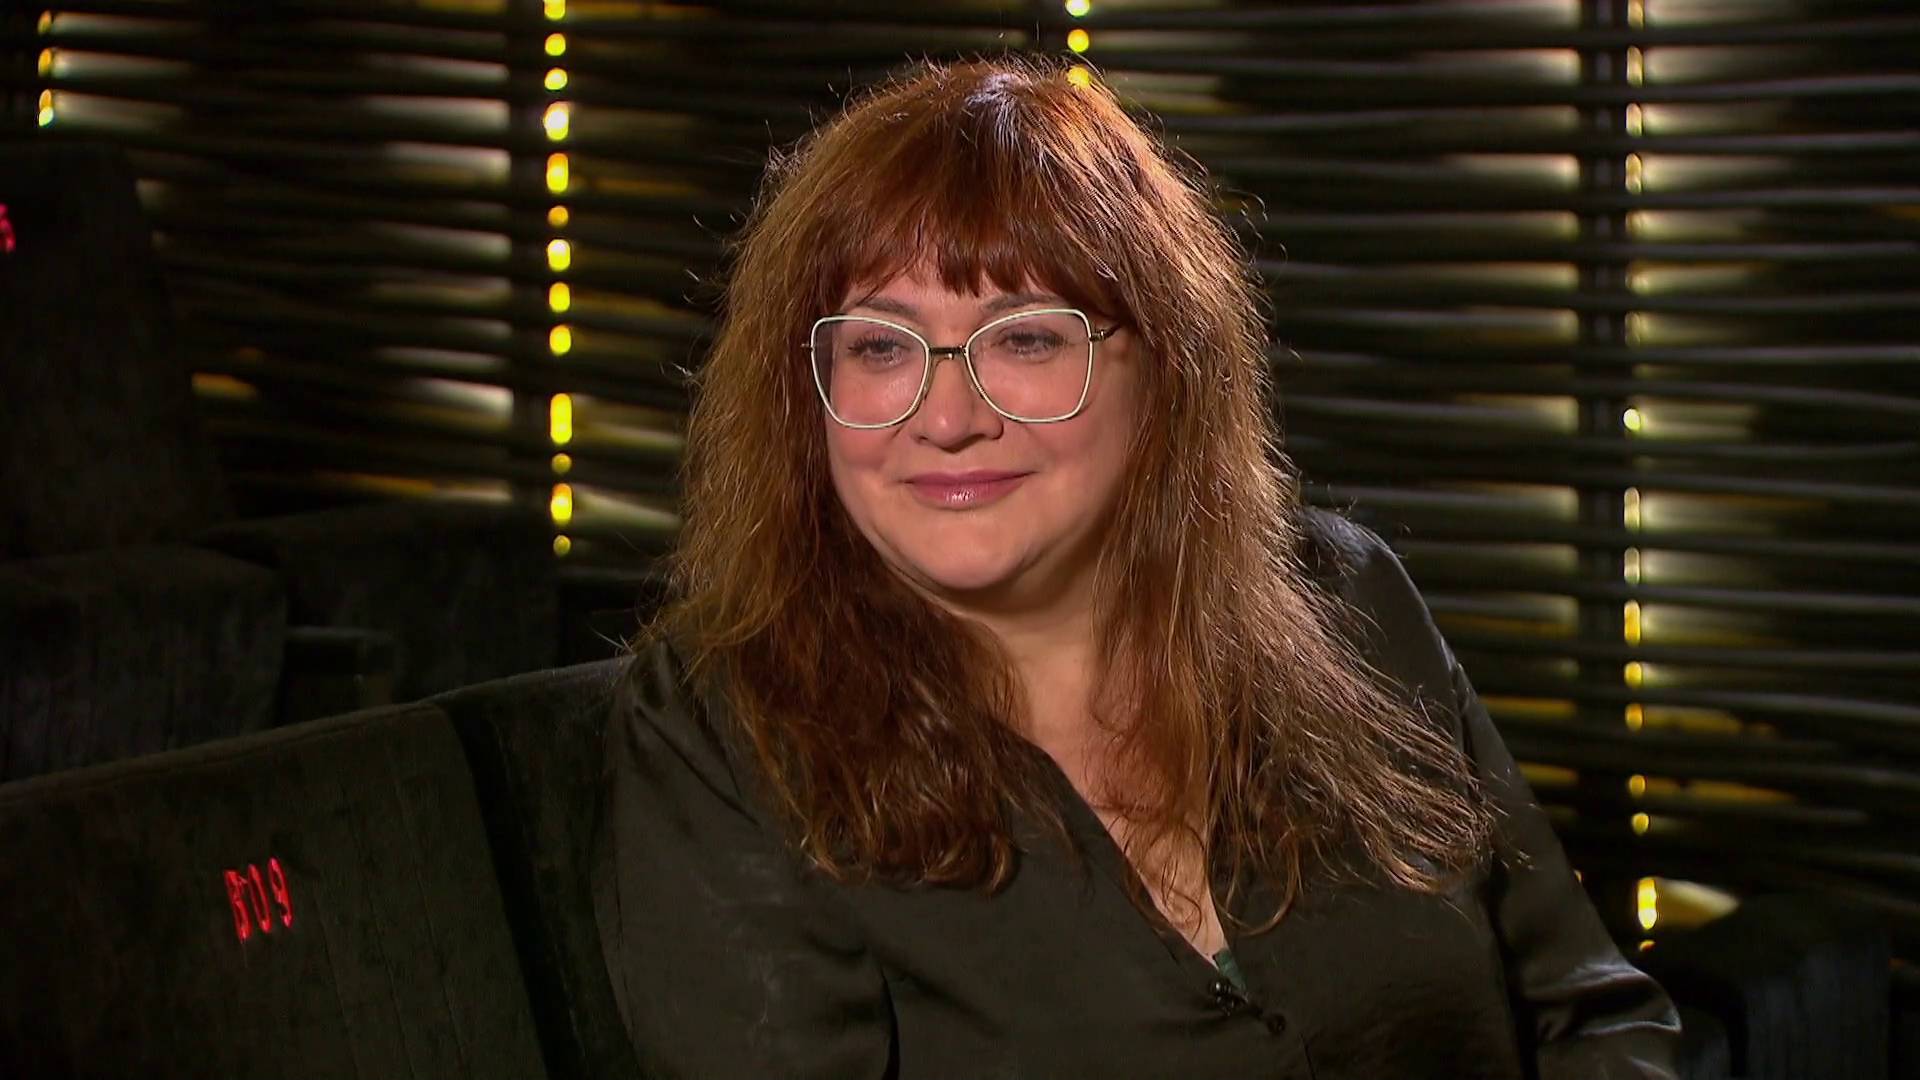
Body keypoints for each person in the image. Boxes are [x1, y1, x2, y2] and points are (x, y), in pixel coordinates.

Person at [591, 55, 1682, 1079]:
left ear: (1164, 364)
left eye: (1026, 338)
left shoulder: (1345, 600)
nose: (949, 418)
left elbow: (1591, 1019)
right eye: (881, 346)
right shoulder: (726, 730)